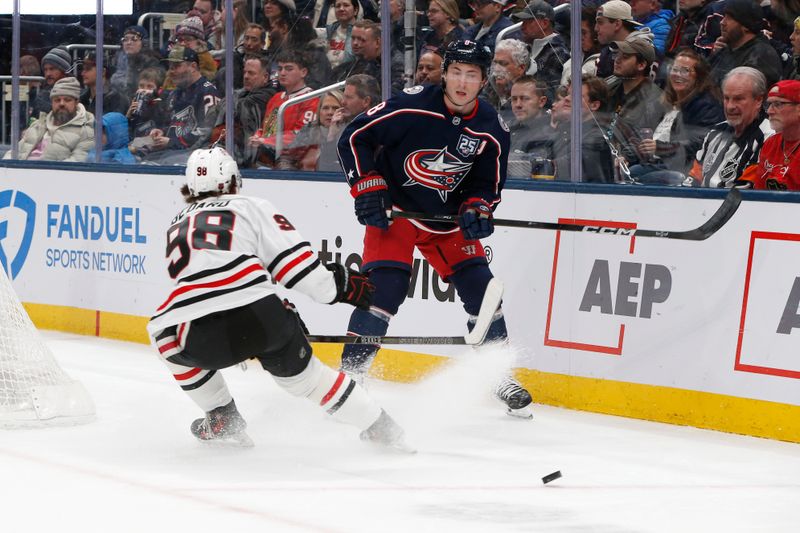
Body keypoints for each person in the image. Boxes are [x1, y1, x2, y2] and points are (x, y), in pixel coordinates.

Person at [145, 147, 410, 449]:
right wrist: (341, 288)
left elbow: (205, 283)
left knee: (161, 333)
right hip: (261, 317)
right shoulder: (250, 206)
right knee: (310, 381)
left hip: (198, 334)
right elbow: (296, 270)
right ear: (234, 177)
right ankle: (382, 428)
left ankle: (221, 415)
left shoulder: (176, 224)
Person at [335, 40, 533, 418]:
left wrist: (479, 208)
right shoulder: (410, 105)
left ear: (483, 80)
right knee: (385, 290)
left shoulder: (492, 128)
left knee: (483, 289)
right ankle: (352, 376)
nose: (462, 82)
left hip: (446, 223)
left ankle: (498, 374)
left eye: (471, 75)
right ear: (444, 74)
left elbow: (487, 185)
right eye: (456, 72)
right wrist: (367, 184)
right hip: (396, 215)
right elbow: (354, 138)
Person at [629, 48, 723, 183]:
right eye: (674, 69)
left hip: (680, 169)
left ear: (699, 77)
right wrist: (627, 156)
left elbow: (700, 143)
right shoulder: (662, 102)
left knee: (633, 176)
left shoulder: (705, 105)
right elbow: (639, 133)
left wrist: (660, 148)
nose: (678, 74)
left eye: (685, 71)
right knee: (622, 171)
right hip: (654, 163)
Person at [688, 67, 773, 187]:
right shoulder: (714, 132)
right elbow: (693, 179)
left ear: (758, 100)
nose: (730, 106)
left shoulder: (768, 138)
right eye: (726, 98)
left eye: (738, 99)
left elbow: (746, 193)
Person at [141, 46, 220, 164]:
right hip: (174, 150)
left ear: (193, 67)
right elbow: (174, 125)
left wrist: (170, 142)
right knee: (140, 158)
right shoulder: (175, 93)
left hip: (197, 153)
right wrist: (160, 132)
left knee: (160, 163)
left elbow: (206, 133)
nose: (171, 72)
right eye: (170, 67)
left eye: (176, 66)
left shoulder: (207, 92)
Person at [249, 49, 319, 166]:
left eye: (288, 69)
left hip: (293, 163)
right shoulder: (276, 98)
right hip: (267, 158)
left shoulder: (311, 99)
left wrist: (265, 141)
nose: (282, 73)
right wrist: (257, 137)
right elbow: (266, 129)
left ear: (303, 72)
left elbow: (301, 136)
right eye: (280, 68)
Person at [4, 77, 94, 162]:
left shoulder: (87, 130)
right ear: (52, 102)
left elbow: (77, 163)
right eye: (57, 100)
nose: (61, 104)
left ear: (76, 102)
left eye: (67, 100)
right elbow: (13, 153)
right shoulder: (38, 124)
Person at [211, 55, 276, 167]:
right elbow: (214, 111)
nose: (246, 76)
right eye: (245, 72)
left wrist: (226, 102)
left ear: (265, 77)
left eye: (251, 73)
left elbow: (234, 109)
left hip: (254, 159)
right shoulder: (242, 93)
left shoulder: (267, 96)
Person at [739, 80, 800, 190]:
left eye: (778, 104)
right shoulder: (771, 143)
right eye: (769, 104)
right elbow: (760, 193)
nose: (770, 111)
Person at [709, 0, 782, 89]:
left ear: (746, 26)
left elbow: (741, 93)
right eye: (724, 17)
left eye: (729, 18)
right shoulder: (726, 49)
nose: (722, 22)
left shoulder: (761, 56)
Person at [318, 73, 380, 171]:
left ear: (366, 101)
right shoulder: (343, 126)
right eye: (344, 97)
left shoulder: (379, 130)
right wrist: (331, 136)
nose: (343, 102)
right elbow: (324, 170)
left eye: (349, 97)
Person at [511, 0, 570, 101]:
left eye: (528, 21)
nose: (522, 27)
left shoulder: (558, 53)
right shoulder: (527, 48)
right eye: (522, 22)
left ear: (545, 23)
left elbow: (548, 97)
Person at [277, 89, 344, 170]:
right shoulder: (309, 130)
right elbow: (285, 158)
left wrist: (331, 136)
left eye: (335, 108)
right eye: (325, 108)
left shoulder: (350, 132)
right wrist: (290, 176)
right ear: (319, 111)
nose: (330, 112)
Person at [110, 25, 163, 99]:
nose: (128, 43)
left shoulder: (151, 63)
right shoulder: (117, 61)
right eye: (125, 39)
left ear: (143, 43)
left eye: (134, 39)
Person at [485, 39, 529, 113]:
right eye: (495, 63)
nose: (496, 69)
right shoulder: (488, 88)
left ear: (521, 68)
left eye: (503, 63)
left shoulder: (530, 96)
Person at [29, 46, 71, 119]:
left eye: (52, 69)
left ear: (64, 70)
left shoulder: (77, 94)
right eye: (45, 70)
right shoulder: (42, 96)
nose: (48, 74)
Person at [326, 0, 358, 70]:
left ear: (355, 10)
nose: (341, 9)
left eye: (346, 5)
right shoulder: (329, 30)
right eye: (338, 6)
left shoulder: (362, 33)